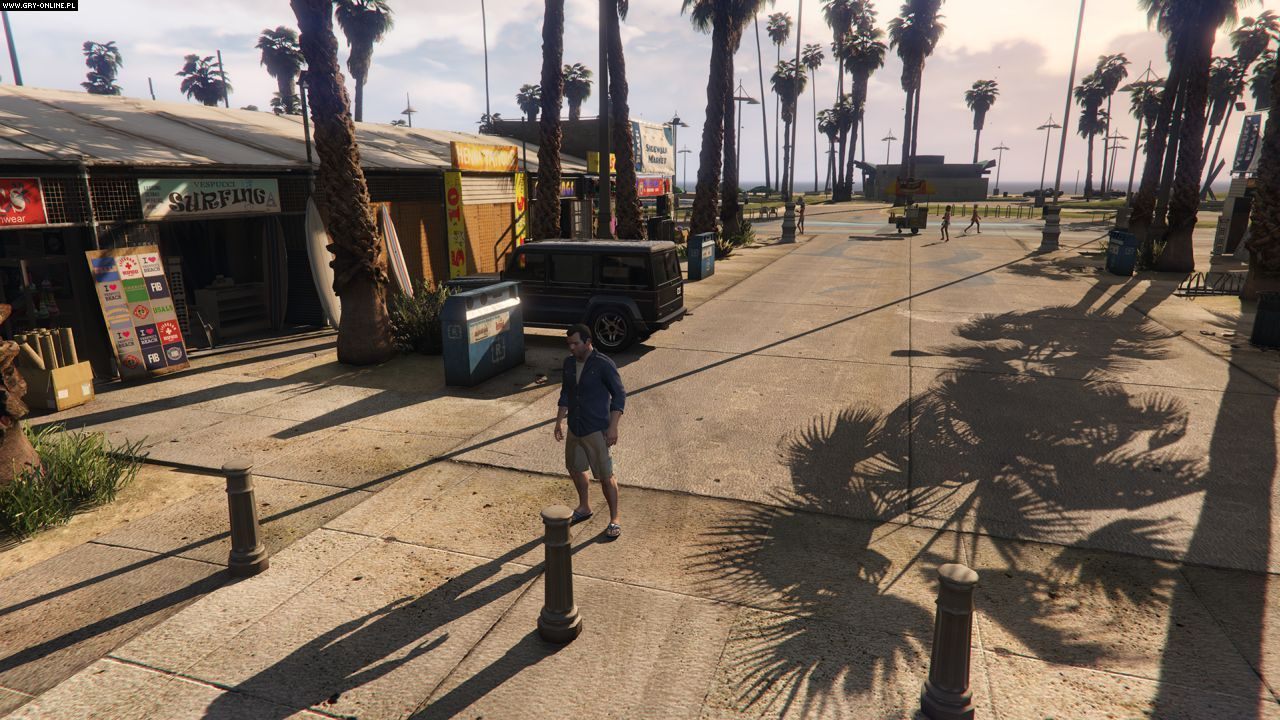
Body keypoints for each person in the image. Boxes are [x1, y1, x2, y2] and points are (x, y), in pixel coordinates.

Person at [554, 324, 626, 539]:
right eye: (569, 344)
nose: (572, 348)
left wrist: (613, 426)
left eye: (575, 343)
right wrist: (559, 421)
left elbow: (619, 395)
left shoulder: (603, 364)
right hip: (575, 427)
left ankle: (615, 518)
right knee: (575, 468)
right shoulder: (568, 363)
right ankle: (584, 507)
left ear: (588, 342)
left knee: (605, 475)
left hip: (596, 428)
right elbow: (566, 393)